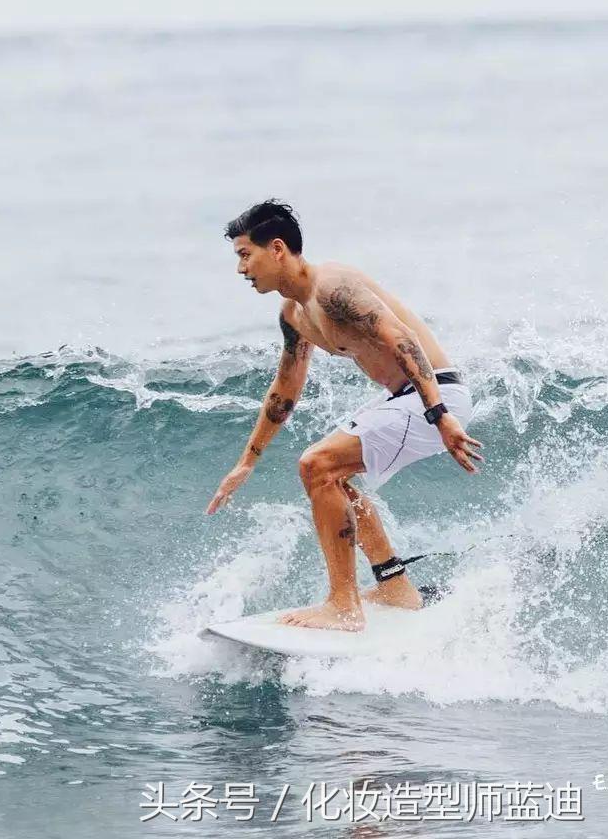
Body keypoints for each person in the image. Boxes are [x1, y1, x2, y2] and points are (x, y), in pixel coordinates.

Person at [205, 199, 482, 632]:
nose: (241, 269)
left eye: (245, 254)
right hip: (406, 396)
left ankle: (343, 606)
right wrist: (247, 461)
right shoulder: (294, 313)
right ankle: (394, 585)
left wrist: (440, 415)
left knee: (317, 465)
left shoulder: (333, 288)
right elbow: (285, 388)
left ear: (276, 248)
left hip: (434, 393)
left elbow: (403, 340)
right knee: (330, 478)